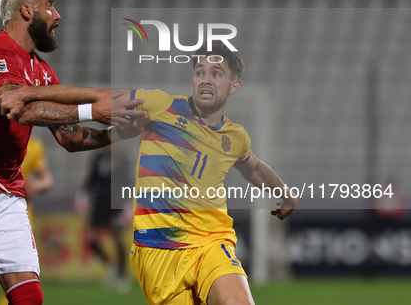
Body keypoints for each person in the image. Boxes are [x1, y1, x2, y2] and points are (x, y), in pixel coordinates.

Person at [0, 0, 145, 305]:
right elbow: (18, 108)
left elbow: (70, 137)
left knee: (30, 297)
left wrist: (117, 132)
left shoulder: (43, 73)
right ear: (27, 10)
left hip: (10, 190)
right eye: (50, 6)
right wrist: (96, 105)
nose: (58, 15)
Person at [110, 42, 298, 305]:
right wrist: (60, 111)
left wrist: (285, 195)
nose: (206, 79)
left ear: (234, 86)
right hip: (158, 251)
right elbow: (102, 100)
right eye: (200, 72)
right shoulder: (160, 106)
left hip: (211, 240)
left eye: (217, 73)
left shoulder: (235, 136)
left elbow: (253, 167)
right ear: (192, 79)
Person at [79, 145, 132, 291]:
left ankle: (122, 276)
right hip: (99, 205)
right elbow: (91, 179)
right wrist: (83, 195)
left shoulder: (122, 159)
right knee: (92, 240)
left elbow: (128, 182)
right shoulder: (98, 158)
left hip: (116, 205)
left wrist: (128, 205)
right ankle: (111, 266)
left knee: (118, 239)